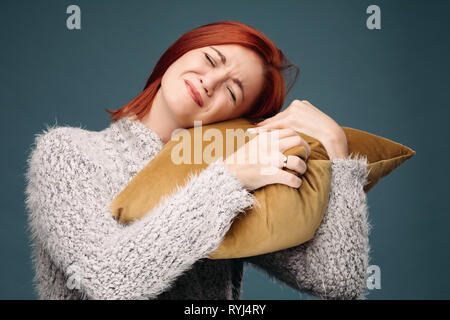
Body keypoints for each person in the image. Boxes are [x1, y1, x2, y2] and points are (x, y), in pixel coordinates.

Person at [24, 21, 371, 300]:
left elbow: (338, 282)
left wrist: (338, 156)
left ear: (234, 118)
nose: (210, 81)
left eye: (233, 92)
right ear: (182, 51)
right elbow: (109, 282)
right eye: (210, 59)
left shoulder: (244, 169)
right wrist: (229, 180)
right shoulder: (67, 153)